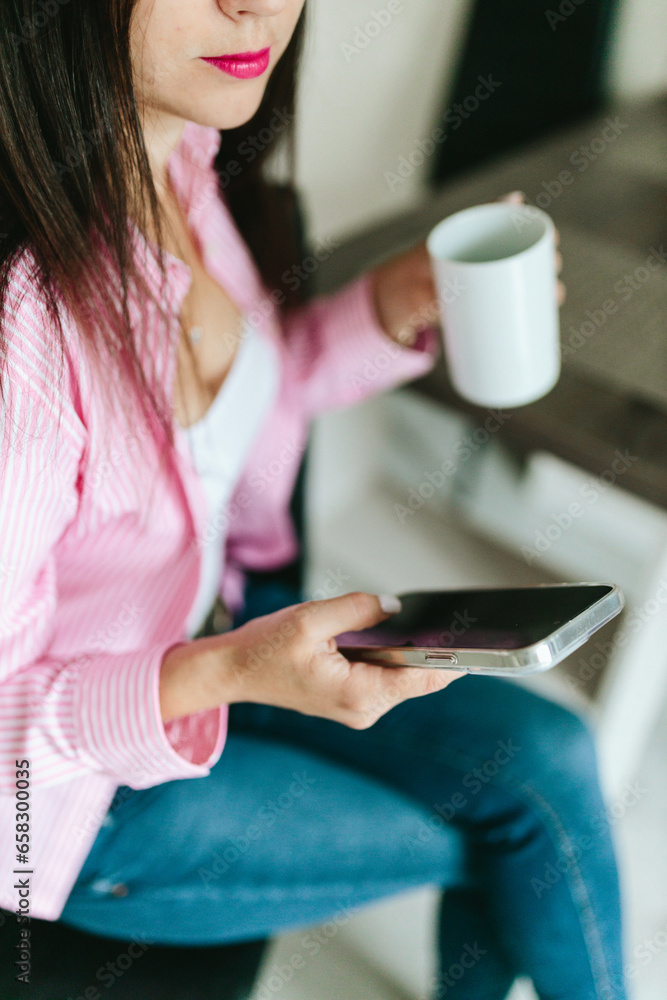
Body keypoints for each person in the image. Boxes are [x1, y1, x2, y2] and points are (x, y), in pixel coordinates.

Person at [0, 2, 626, 997]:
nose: (253, 4)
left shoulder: (180, 160)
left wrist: (385, 309)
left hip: (219, 634)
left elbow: (230, 411)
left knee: (550, 753)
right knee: (516, 837)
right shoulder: (23, 333)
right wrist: (227, 671)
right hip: (85, 797)